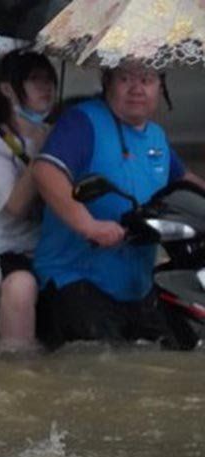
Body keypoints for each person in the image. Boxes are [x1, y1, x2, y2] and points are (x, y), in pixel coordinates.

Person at [32, 63, 205, 347]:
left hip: (138, 286)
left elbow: (184, 182)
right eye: (125, 78)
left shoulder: (156, 138)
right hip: (74, 279)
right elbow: (45, 172)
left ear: (160, 87)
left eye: (147, 79)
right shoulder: (82, 121)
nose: (137, 88)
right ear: (107, 81)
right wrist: (89, 226)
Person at [0, 51, 57, 345]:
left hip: (55, 248)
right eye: (34, 80)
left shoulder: (57, 133)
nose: (45, 88)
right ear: (7, 88)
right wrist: (42, 156)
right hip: (5, 252)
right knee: (21, 285)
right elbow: (15, 207)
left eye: (48, 80)